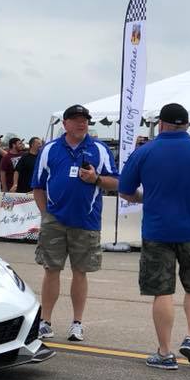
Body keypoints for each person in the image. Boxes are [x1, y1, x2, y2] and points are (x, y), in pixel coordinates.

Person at [118, 103, 190, 370]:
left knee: (162, 291)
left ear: (161, 124)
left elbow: (125, 191)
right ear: (187, 124)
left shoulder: (144, 152)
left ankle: (165, 352)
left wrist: (145, 198)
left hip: (157, 230)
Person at [31, 104, 118, 342]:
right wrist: (45, 215)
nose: (82, 123)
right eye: (76, 119)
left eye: (85, 120)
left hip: (86, 220)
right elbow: (38, 185)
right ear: (65, 124)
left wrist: (96, 178)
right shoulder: (49, 149)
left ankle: (77, 323)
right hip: (55, 222)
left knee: (81, 272)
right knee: (51, 270)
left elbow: (116, 183)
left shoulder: (99, 149)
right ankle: (45, 321)